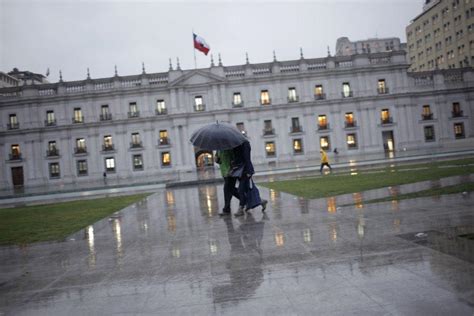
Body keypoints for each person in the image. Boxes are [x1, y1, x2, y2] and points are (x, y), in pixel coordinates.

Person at [232, 140, 267, 217]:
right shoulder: (235, 144)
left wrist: (249, 171)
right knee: (248, 189)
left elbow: (247, 158)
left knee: (241, 189)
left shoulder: (245, 143)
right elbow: (237, 158)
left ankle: (240, 209)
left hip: (245, 170)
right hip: (239, 170)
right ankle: (261, 201)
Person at [215, 149, 239, 215]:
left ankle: (226, 209)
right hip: (224, 172)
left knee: (227, 190)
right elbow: (219, 161)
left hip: (231, 173)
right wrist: (217, 159)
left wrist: (231, 169)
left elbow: (234, 159)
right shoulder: (218, 150)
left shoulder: (229, 148)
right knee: (231, 190)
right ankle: (248, 200)